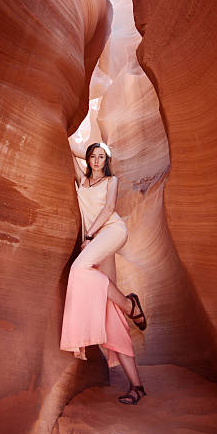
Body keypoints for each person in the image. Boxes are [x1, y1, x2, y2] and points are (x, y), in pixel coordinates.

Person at [59, 141, 148, 405]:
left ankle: (129, 304)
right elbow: (67, 146)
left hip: (111, 232)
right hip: (97, 244)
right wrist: (87, 151)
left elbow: (109, 210)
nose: (97, 160)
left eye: (101, 157)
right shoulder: (81, 178)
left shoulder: (112, 181)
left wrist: (89, 234)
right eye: (93, 156)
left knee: (79, 268)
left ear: (107, 161)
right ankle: (137, 386)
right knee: (111, 313)